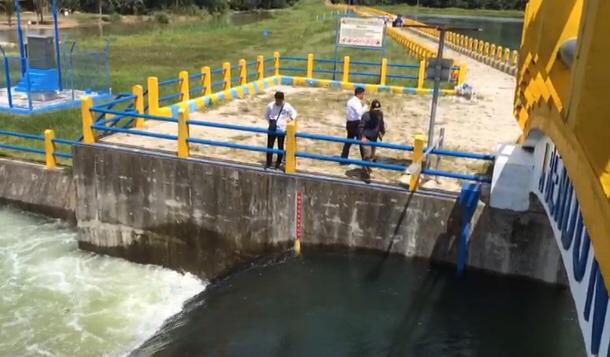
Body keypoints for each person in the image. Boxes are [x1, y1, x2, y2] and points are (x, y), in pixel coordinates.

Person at [265, 91, 297, 170]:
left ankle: (278, 163)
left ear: (283, 99)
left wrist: (290, 119)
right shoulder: (270, 106)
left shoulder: (287, 106)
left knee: (280, 146)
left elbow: (294, 113)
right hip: (272, 129)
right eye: (277, 100)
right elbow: (266, 115)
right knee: (270, 145)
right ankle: (268, 162)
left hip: (281, 129)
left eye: (280, 100)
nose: (278, 102)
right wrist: (271, 123)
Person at [359, 100, 386, 179]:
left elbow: (381, 124)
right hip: (366, 138)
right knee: (366, 155)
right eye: (375, 110)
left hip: (374, 139)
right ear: (371, 108)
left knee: (371, 156)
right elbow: (361, 127)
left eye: (378, 110)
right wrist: (362, 137)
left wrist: (382, 133)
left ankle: (367, 168)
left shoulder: (380, 115)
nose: (376, 112)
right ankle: (365, 172)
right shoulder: (366, 116)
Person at [341, 87, 368, 163]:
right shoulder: (356, 102)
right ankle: (365, 160)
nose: (363, 96)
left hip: (349, 123)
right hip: (356, 124)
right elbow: (360, 113)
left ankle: (343, 159)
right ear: (359, 94)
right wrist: (365, 106)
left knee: (348, 141)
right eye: (363, 94)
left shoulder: (350, 101)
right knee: (362, 142)